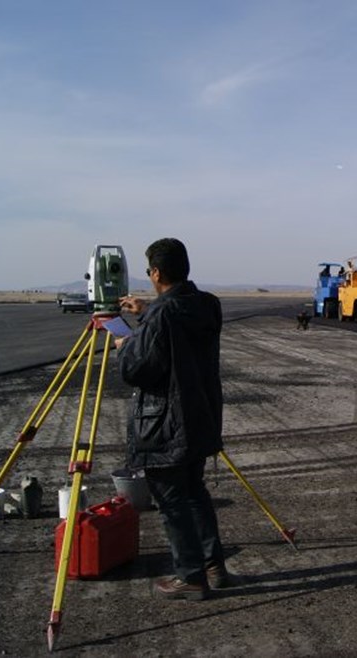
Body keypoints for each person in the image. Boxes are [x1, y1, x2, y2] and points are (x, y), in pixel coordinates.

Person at [115, 238, 231, 600]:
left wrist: (125, 345)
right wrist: (148, 312)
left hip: (166, 424)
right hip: (201, 416)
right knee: (195, 493)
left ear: (156, 272)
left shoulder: (163, 316)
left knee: (171, 501)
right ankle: (214, 566)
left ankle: (190, 576)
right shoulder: (206, 305)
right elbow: (175, 324)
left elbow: (137, 369)